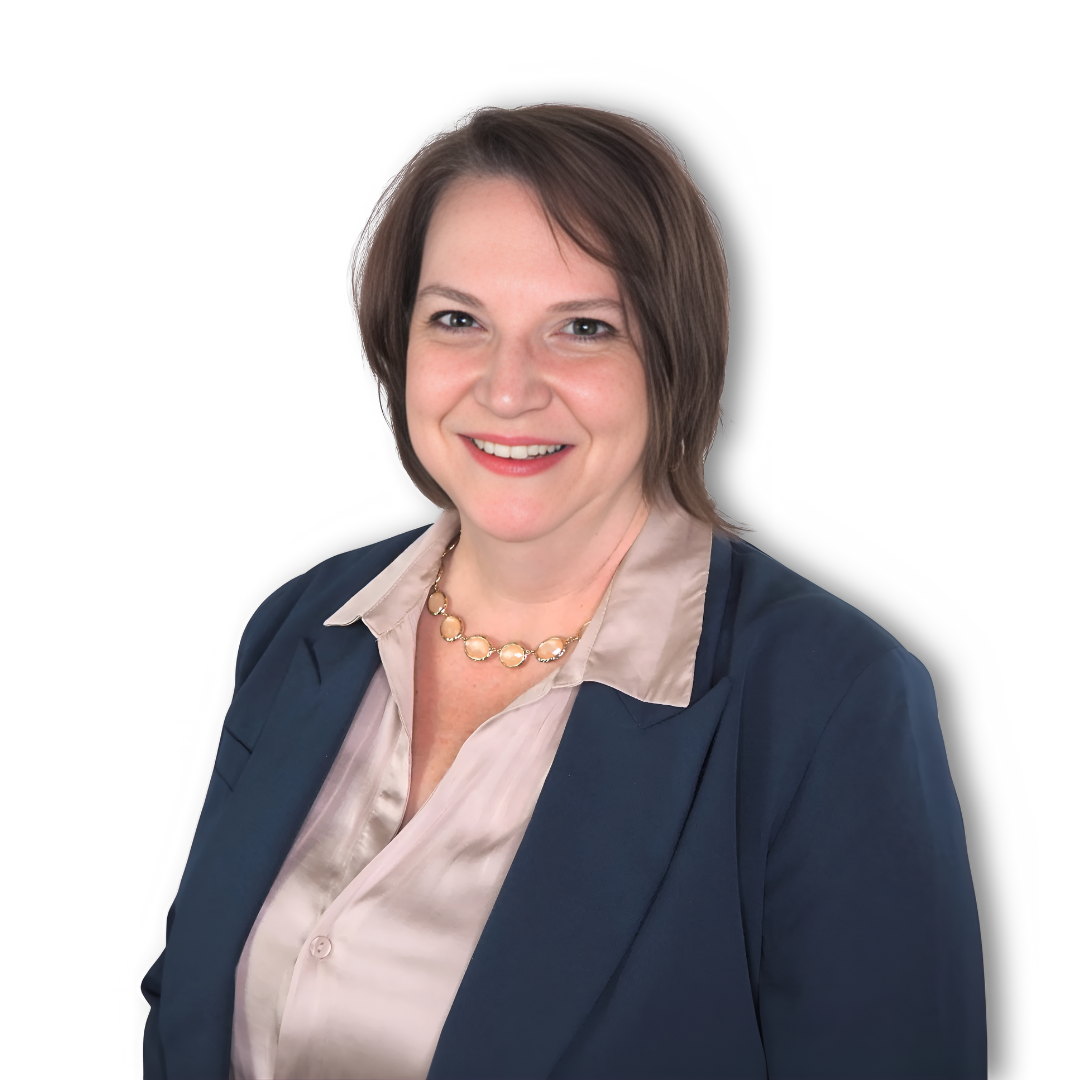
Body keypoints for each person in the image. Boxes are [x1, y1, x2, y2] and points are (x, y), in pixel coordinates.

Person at [141, 104, 985, 1080]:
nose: (508, 388)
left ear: (672, 360)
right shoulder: (302, 627)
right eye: (458, 319)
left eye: (582, 328)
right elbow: (190, 1013)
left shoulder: (835, 702)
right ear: (396, 340)